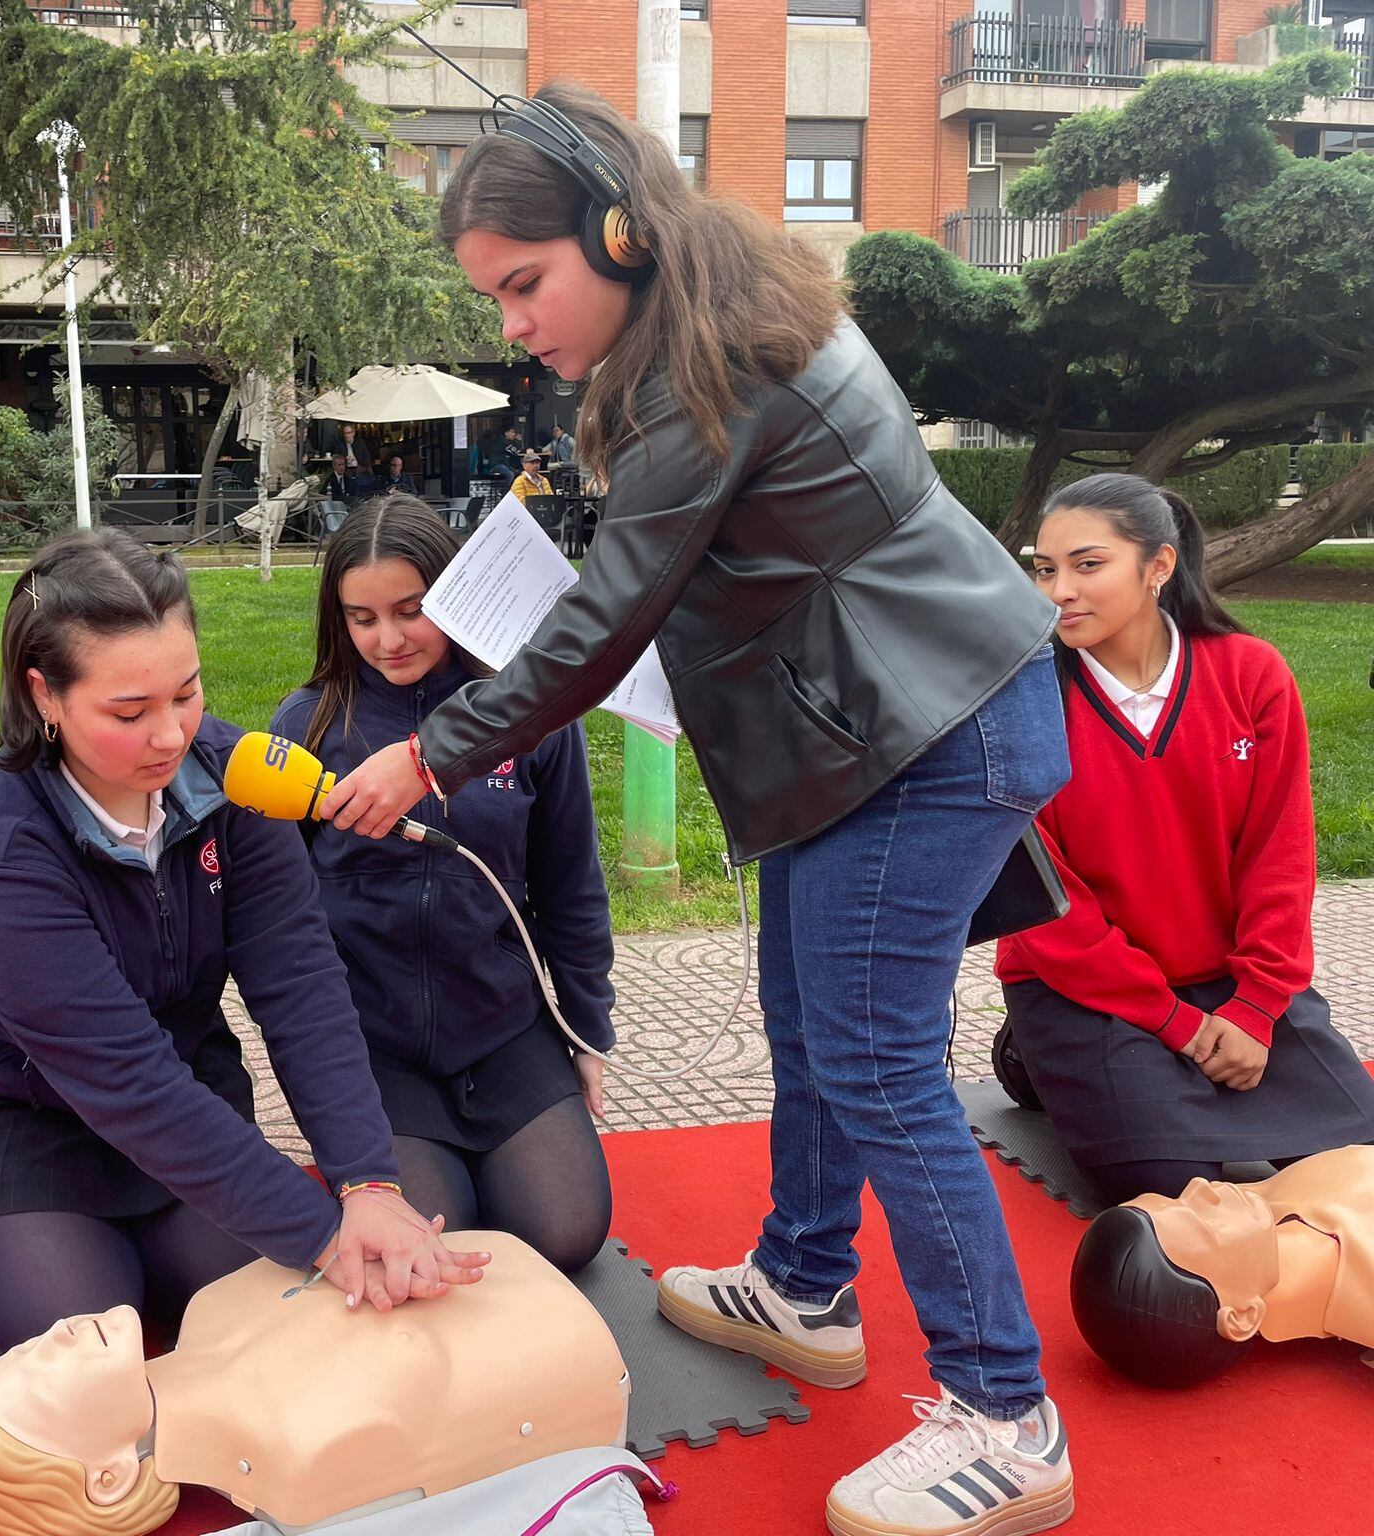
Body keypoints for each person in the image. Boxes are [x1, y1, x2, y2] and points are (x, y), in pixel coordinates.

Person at [318, 81, 1075, 1536]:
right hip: (867, 732)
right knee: (820, 1033)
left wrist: (428, 755)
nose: (516, 325)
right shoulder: (721, 321)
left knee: (877, 1063)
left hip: (924, 732)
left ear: (620, 231)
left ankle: (1006, 1412)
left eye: (526, 285)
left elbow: (602, 620)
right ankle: (803, 1284)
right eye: (496, 298)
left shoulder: (709, 373)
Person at [0, 529, 487, 1362]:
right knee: (88, 1333)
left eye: (186, 694)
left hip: (172, 1083)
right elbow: (122, 1079)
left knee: (251, 1299)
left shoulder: (239, 779)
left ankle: (126, 1233)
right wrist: (328, 1236)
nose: (172, 736)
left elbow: (300, 987)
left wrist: (366, 1184)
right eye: (130, 711)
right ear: (44, 694)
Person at [994, 474, 1374, 1204]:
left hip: (1226, 974)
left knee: (1352, 1166)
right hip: (1084, 985)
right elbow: (1043, 903)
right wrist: (1177, 1024)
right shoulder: (1020, 695)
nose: (1057, 591)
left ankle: (1094, 1066)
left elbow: (1280, 860)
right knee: (1169, 1186)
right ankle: (1030, 1057)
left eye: (1087, 564)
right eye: (1045, 569)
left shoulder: (1250, 674)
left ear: (1159, 566)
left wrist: (1255, 1009)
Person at [272, 496, 615, 1274]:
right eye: (362, 618)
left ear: (456, 594)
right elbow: (275, 921)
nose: (387, 640)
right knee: (434, 1238)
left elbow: (572, 887)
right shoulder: (309, 726)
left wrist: (587, 1031)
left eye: (411, 610)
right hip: (374, 1045)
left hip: (502, 1028)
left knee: (566, 1233)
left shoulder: (531, 717)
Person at [0, 1229, 640, 1536]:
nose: (48, 1340)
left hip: (504, 1284)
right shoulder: (298, 1459)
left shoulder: (208, 1309)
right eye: (38, 1381)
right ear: (112, 1479)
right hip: (558, 1349)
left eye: (19, 1353)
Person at [1070, 1146, 1374, 1387]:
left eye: (1177, 1198)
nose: (1199, 1186)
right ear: (1243, 1316)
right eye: (1204, 1222)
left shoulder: (1264, 1201)